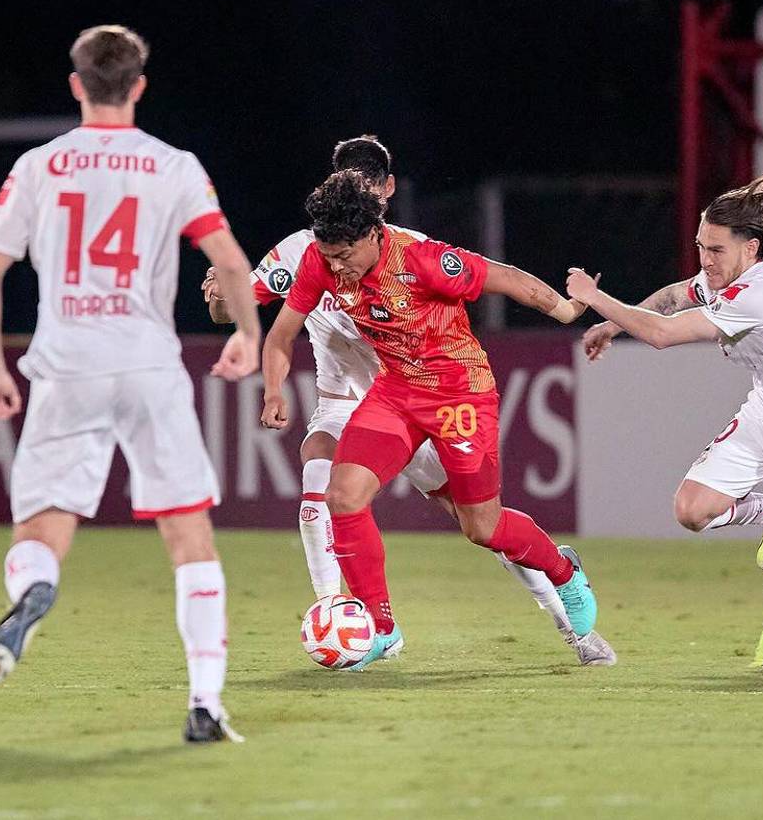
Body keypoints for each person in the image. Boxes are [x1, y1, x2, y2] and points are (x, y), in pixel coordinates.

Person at [205, 136, 614, 665]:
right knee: (342, 494)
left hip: (458, 393)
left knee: (480, 527)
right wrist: (275, 389)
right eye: (329, 256)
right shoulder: (317, 260)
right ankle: (379, 627)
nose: (338, 268)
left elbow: (505, 278)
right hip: (395, 391)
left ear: (374, 232)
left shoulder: (423, 259)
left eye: (346, 255)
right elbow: (282, 333)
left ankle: (564, 572)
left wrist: (564, 311)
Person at [0, 24, 261, 742]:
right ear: (138, 86)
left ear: (75, 84)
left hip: (66, 366)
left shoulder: (40, 166)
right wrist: (248, 337)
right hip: (148, 365)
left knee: (41, 527)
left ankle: (35, 589)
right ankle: (204, 703)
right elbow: (225, 257)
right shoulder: (173, 165)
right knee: (189, 536)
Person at [566, 171, 763, 669]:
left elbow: (662, 334)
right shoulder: (731, 276)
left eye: (716, 250)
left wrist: (593, 299)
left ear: (752, 249)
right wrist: (614, 325)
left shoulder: (762, 295)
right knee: (691, 511)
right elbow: (673, 297)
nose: (706, 260)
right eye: (701, 246)